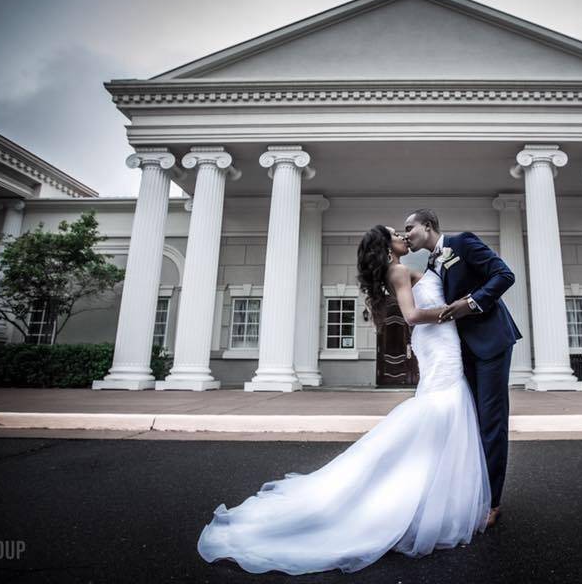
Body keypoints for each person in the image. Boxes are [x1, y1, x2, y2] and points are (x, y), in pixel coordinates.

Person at [197, 225, 491, 575]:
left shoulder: (402, 268)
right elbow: (411, 316)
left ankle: (426, 496)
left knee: (441, 414)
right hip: (437, 343)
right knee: (440, 412)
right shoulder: (397, 270)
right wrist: (455, 310)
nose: (402, 235)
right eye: (396, 233)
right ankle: (419, 499)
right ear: (386, 247)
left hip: (438, 346)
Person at [403, 208, 522, 529]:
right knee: (471, 420)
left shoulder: (463, 242)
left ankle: (492, 502)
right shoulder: (428, 263)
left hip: (492, 342)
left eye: (410, 228)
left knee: (491, 422)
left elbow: (504, 275)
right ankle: (471, 491)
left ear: (428, 226)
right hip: (461, 351)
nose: (406, 234)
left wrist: (470, 303)